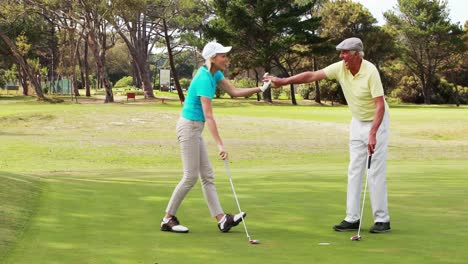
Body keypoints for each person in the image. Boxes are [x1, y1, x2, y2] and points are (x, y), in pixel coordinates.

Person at [264, 37, 391, 233]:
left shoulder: (370, 71)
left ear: (357, 54)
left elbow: (380, 105)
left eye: (345, 52)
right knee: (354, 169)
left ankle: (382, 219)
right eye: (341, 52)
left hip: (377, 121)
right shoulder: (340, 67)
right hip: (357, 122)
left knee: (374, 171)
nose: (342, 56)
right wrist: (283, 81)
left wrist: (373, 133)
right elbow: (311, 75)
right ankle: (352, 218)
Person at [161, 41, 273, 233]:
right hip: (188, 128)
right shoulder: (204, 78)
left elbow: (234, 92)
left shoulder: (215, 74)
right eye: (223, 55)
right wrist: (220, 145)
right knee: (190, 177)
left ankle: (222, 219)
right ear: (213, 58)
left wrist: (260, 89)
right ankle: (167, 219)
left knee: (207, 176)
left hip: (196, 128)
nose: (226, 59)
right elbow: (209, 116)